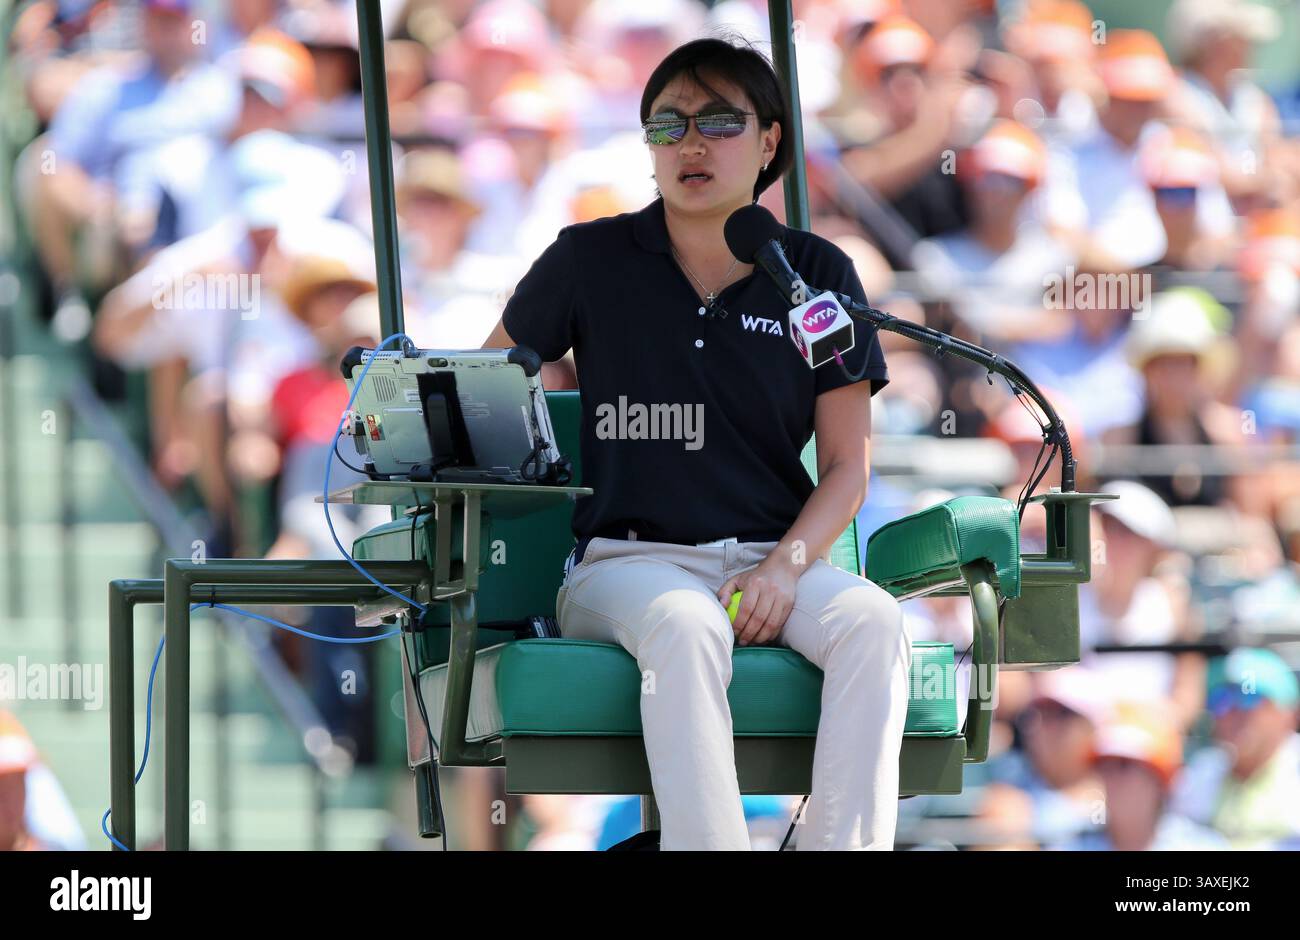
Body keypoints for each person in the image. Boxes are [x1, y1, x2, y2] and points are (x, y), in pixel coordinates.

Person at [482, 37, 905, 851]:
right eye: (667, 125)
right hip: (624, 563)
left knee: (874, 623)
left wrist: (784, 566)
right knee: (686, 622)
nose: (691, 143)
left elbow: (849, 467)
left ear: (770, 141)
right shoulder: (590, 257)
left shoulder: (817, 272)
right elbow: (485, 389)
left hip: (767, 561)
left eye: (718, 121)